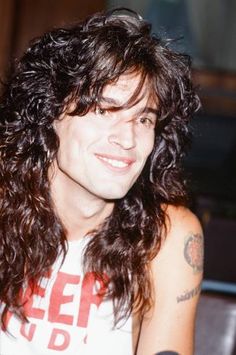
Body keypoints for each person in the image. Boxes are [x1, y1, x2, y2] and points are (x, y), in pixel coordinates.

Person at [0, 8, 203, 355]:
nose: (128, 140)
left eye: (143, 119)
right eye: (105, 110)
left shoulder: (165, 238)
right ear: (49, 115)